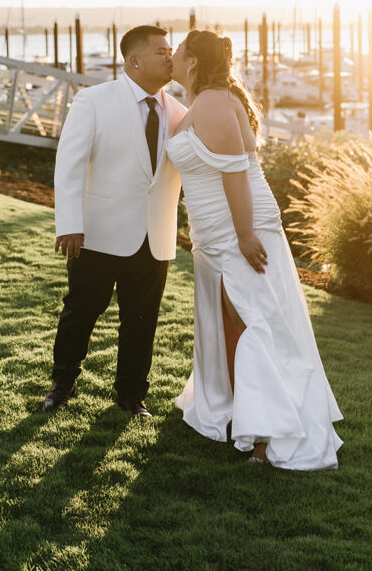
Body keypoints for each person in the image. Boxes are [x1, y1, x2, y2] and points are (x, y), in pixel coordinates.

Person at [167, 29, 343, 468]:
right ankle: (239, 412)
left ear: (191, 62)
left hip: (238, 228)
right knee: (236, 321)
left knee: (257, 323)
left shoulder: (212, 103)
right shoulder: (205, 100)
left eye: (177, 49)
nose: (170, 54)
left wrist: (245, 236)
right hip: (215, 230)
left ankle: (272, 434)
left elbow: (236, 176)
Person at [44, 25, 188, 418]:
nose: (170, 57)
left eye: (171, 49)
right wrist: (69, 223)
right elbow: (69, 165)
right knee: (81, 311)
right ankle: (62, 383)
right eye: (162, 51)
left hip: (154, 236)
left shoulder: (180, 113)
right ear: (134, 60)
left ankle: (130, 395)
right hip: (98, 232)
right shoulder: (93, 100)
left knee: (142, 320)